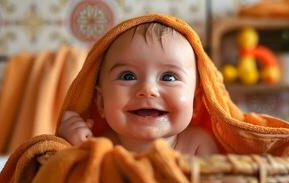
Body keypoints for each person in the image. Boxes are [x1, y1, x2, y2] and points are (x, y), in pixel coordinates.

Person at [58, 22, 219, 155]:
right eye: (128, 76)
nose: (147, 89)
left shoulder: (197, 145)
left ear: (195, 103)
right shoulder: (99, 146)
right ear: (101, 103)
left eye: (168, 77)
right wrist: (73, 145)